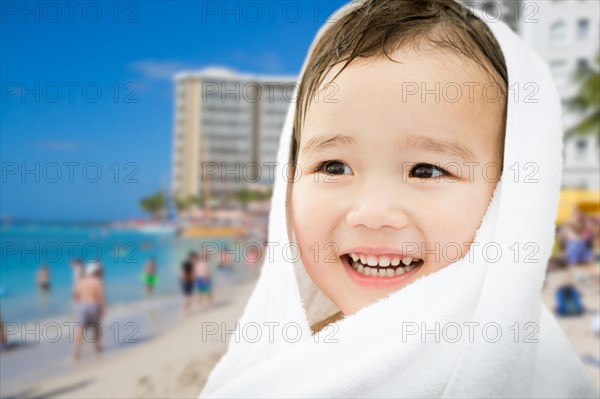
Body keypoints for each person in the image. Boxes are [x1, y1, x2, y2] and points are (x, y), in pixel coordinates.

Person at [199, 1, 599, 398]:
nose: (372, 213)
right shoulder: (271, 367)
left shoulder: (536, 377)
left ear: (509, 197)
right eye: (334, 167)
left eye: (426, 170)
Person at [73, 262, 105, 361]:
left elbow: (76, 295)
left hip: (82, 306)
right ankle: (97, 347)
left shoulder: (81, 281)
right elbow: (100, 297)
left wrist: (79, 304)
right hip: (93, 305)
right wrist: (103, 309)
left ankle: (76, 351)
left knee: (80, 329)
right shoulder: (97, 281)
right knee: (96, 326)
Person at [180, 252, 196, 317]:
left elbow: (191, 273)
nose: (194, 259)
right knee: (187, 297)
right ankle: (184, 311)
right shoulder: (187, 264)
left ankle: (186, 310)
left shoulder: (191, 264)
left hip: (189, 281)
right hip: (186, 282)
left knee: (189, 297)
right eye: (194, 258)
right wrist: (186, 280)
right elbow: (183, 274)